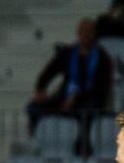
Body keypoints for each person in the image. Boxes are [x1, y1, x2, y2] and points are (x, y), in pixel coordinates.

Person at [25, 18, 113, 147]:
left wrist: (75, 99)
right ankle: (35, 139)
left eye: (89, 32)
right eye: (82, 32)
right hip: (66, 95)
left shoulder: (103, 57)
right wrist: (40, 88)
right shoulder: (68, 53)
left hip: (89, 98)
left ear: (94, 34)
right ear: (78, 34)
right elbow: (49, 71)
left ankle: (82, 146)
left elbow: (101, 88)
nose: (85, 35)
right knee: (33, 107)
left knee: (87, 110)